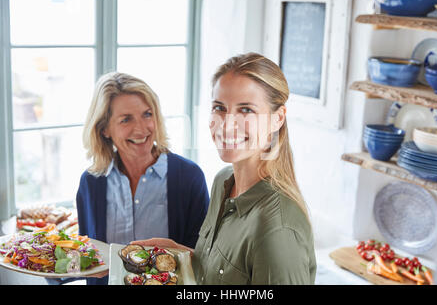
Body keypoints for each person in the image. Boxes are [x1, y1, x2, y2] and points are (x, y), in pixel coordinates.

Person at [133, 52, 316, 285]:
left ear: (277, 118)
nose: (227, 125)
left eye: (246, 110)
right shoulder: (223, 181)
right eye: (219, 107)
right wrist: (180, 255)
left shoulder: (276, 228)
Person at [58, 72, 209, 285]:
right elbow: (89, 256)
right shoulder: (91, 182)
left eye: (147, 114)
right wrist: (52, 262)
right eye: (126, 119)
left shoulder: (189, 177)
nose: (141, 129)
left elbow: (205, 260)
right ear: (104, 129)